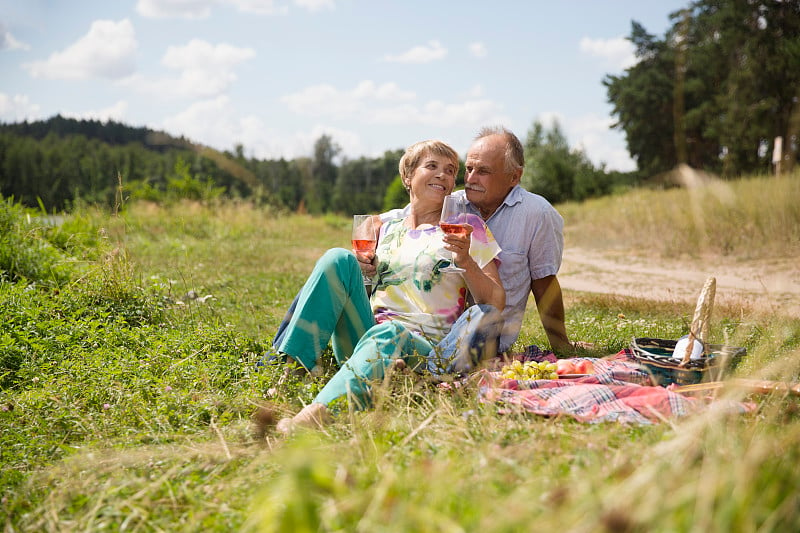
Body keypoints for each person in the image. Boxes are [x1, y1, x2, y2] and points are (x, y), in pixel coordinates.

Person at [273, 139, 505, 432]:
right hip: (366, 336)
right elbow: (364, 284)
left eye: (450, 170)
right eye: (431, 166)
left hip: (423, 349)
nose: (443, 176)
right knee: (337, 259)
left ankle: (314, 416)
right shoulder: (385, 227)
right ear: (408, 177)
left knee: (391, 332)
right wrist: (362, 272)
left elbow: (496, 301)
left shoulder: (466, 226)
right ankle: (292, 370)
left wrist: (465, 259)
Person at [374, 126, 581, 354]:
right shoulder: (453, 202)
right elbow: (407, 215)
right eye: (469, 168)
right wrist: (370, 224)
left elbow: (544, 282)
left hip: (485, 333)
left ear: (514, 176)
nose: (471, 179)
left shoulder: (538, 213)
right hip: (434, 330)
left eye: (483, 171)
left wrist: (562, 347)